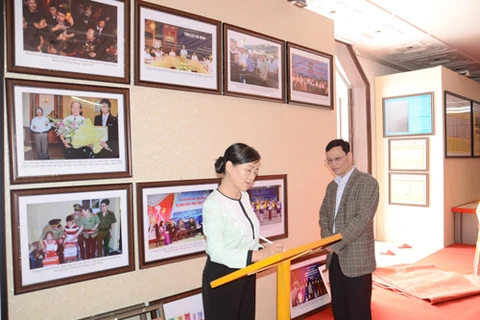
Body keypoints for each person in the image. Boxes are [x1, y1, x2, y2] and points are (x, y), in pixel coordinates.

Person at [202, 143, 284, 320]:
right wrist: (257, 255)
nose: (252, 177)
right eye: (248, 170)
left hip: (245, 273)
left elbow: (247, 237)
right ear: (230, 167)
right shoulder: (213, 204)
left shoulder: (244, 196)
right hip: (223, 278)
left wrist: (265, 250)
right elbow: (216, 252)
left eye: (255, 171)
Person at [318, 139, 379, 320]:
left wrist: (334, 244)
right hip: (335, 259)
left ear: (349, 156)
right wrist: (328, 239)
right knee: (339, 309)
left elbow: (362, 220)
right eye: (329, 160)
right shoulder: (332, 187)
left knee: (358, 312)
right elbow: (324, 216)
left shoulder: (367, 183)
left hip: (357, 260)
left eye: (338, 158)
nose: (334, 164)